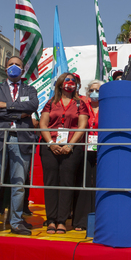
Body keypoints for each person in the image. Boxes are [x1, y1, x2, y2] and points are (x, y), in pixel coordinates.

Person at [0, 56, 39, 236]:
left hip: (20, 140)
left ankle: (16, 221)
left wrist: (7, 106)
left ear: (23, 70)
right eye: (11, 65)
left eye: (18, 65)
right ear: (5, 69)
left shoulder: (30, 89)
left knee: (19, 184)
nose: (14, 67)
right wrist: (19, 113)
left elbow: (32, 105)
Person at [39, 73, 89, 234]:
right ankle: (51, 220)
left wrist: (70, 144)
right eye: (67, 80)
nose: (70, 83)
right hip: (50, 147)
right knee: (51, 182)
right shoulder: (50, 103)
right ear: (60, 84)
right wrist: (51, 143)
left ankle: (62, 220)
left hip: (71, 148)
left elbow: (82, 125)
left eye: (73, 81)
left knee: (67, 183)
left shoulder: (80, 103)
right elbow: (43, 124)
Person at [73, 79, 104, 231]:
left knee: (99, 183)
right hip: (84, 148)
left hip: (102, 150)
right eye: (92, 90)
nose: (94, 93)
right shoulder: (82, 107)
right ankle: (81, 220)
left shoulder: (108, 107)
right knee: (83, 183)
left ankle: (99, 218)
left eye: (98, 90)